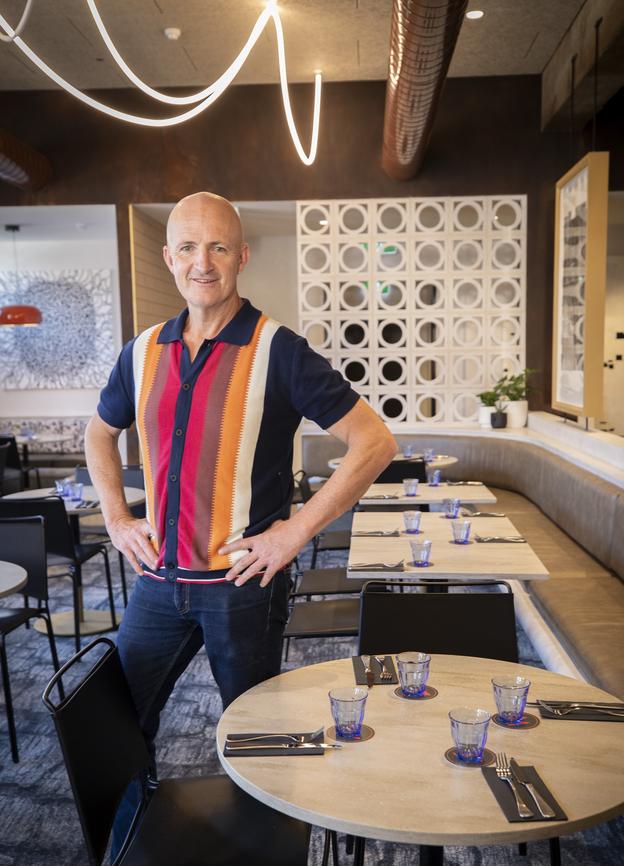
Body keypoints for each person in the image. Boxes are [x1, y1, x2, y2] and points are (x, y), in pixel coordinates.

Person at [84, 191, 397, 856]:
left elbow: (373, 443)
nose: (204, 261)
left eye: (219, 246)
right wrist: (117, 517)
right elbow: (98, 434)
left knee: (259, 740)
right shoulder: (141, 353)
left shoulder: (278, 350)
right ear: (169, 258)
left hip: (242, 587)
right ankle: (131, 842)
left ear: (241, 257)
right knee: (112, 726)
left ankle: (264, 852)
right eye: (190, 247)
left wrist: (292, 533)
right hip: (156, 584)